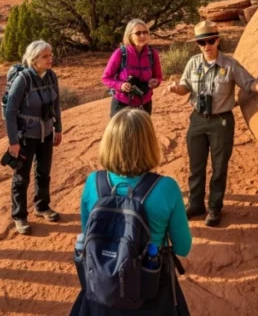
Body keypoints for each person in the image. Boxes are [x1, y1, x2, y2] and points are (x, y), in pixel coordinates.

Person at [166, 21, 258, 227]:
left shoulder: (230, 65)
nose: (207, 45)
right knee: (196, 166)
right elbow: (185, 87)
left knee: (219, 167)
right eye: (202, 42)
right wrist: (174, 88)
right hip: (197, 120)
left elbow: (249, 83)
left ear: (218, 40)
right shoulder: (193, 63)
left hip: (221, 122)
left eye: (211, 40)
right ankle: (196, 204)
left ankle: (214, 208)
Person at [70, 109, 192, 316]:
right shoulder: (166, 188)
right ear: (149, 144)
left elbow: (88, 230)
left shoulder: (94, 182)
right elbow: (182, 247)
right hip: (150, 288)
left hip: (103, 289)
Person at [3, 40, 63, 235]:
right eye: (45, 56)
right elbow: (11, 111)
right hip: (26, 136)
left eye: (50, 55)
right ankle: (19, 216)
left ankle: (42, 206)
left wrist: (58, 129)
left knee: (43, 172)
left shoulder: (51, 76)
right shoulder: (24, 80)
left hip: (45, 133)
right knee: (21, 176)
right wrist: (13, 141)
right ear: (33, 59)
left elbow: (56, 105)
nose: (50, 59)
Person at [102, 19, 163, 116]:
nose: (142, 36)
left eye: (145, 32)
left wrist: (156, 82)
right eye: (138, 33)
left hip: (144, 103)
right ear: (130, 36)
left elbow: (158, 76)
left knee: (142, 131)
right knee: (119, 131)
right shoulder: (121, 53)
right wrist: (120, 85)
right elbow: (106, 78)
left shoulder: (152, 54)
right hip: (122, 104)